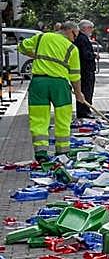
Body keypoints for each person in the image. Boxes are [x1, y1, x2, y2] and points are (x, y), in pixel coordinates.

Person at [19, 22, 81, 163]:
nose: (74, 39)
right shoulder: (72, 49)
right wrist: (78, 93)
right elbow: (75, 76)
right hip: (59, 85)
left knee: (39, 119)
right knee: (63, 118)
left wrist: (35, 55)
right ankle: (63, 151)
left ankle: (41, 153)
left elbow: (22, 46)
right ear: (70, 31)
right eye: (75, 35)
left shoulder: (42, 38)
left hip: (38, 83)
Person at [74, 19, 98, 119]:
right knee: (86, 91)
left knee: (85, 91)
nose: (91, 30)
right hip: (85, 70)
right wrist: (93, 55)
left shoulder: (80, 38)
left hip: (83, 69)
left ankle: (84, 110)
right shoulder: (82, 39)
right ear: (85, 28)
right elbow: (85, 54)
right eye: (90, 28)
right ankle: (84, 111)